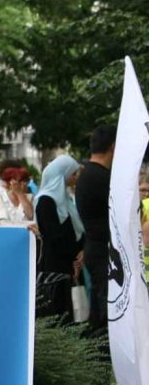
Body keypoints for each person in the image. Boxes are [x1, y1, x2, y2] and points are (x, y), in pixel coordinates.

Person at [75, 125, 116, 335]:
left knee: (100, 307)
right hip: (103, 252)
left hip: (96, 249)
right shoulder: (100, 178)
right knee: (106, 310)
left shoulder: (86, 174)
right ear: (113, 146)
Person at [34, 156, 84, 318]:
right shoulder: (45, 201)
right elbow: (54, 236)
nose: (75, 177)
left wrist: (80, 254)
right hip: (55, 265)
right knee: (59, 310)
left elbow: (77, 230)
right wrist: (75, 256)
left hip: (72, 263)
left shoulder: (67, 200)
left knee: (75, 310)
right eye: (73, 173)